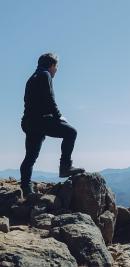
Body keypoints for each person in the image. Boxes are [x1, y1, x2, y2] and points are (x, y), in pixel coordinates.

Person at [20, 53, 85, 196]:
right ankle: (65, 167)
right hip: (41, 120)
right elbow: (49, 99)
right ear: (52, 65)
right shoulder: (45, 75)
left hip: (29, 122)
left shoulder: (32, 78)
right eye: (56, 67)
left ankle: (26, 189)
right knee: (71, 132)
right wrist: (59, 116)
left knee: (30, 156)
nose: (56, 70)